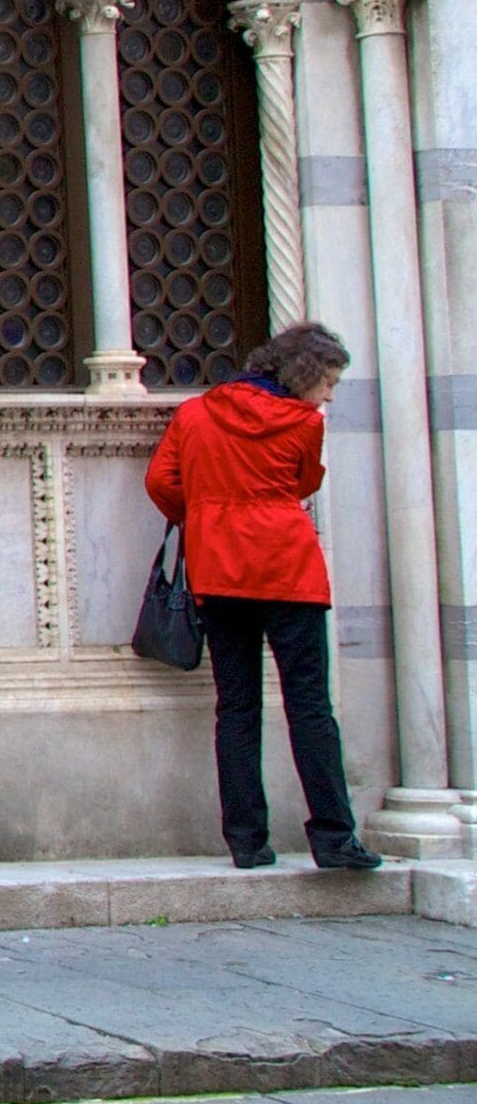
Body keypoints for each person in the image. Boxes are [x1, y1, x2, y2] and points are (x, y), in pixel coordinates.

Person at [144, 323, 381, 871]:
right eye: (329, 381)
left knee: (237, 707)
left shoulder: (196, 414)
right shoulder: (302, 422)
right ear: (304, 374)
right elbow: (305, 483)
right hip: (287, 571)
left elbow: (160, 481)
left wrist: (203, 512)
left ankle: (247, 841)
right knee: (310, 707)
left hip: (220, 571)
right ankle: (333, 835)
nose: (329, 394)